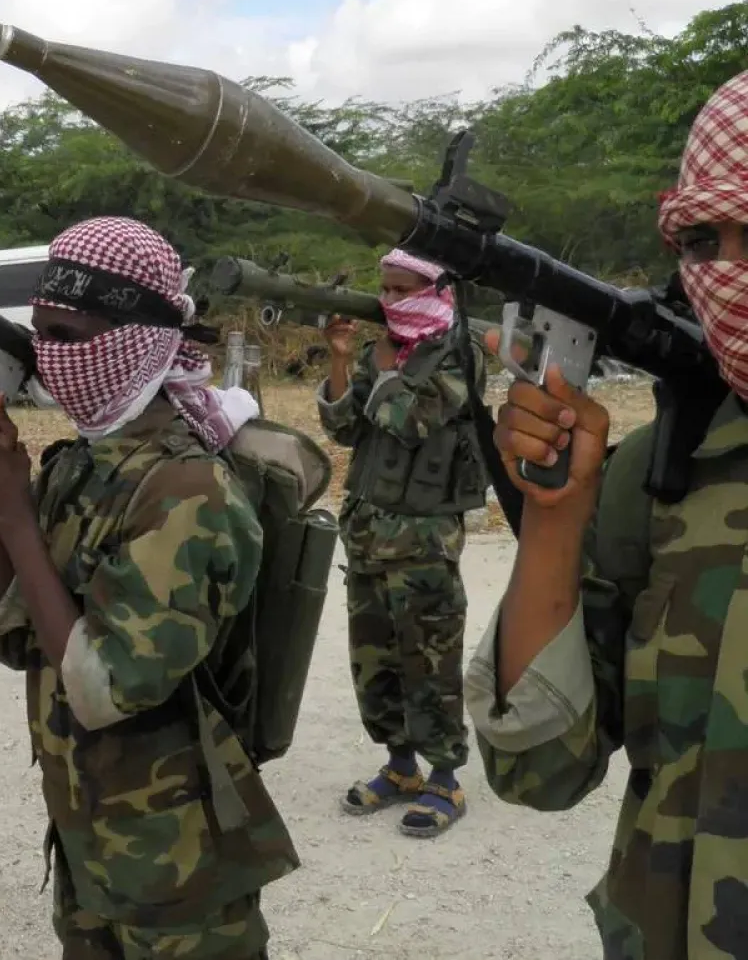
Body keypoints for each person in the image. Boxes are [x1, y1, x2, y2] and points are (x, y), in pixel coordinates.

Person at [0, 217, 292, 960]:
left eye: (68, 332)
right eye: (39, 330)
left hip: (180, 865)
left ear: (135, 335)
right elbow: (16, 639)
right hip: (89, 841)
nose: (49, 354)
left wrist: (12, 506)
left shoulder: (188, 489)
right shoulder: (84, 463)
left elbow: (102, 685)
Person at [467, 70, 748, 956]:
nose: (731, 274)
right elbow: (540, 771)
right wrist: (556, 513)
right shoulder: (661, 470)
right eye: (706, 239)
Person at [316, 250, 487, 837]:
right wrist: (343, 362)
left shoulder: (459, 356)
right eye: (384, 289)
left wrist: (385, 369)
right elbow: (343, 428)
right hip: (366, 534)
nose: (390, 300)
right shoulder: (378, 351)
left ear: (437, 290)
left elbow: (411, 421)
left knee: (429, 661)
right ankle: (400, 766)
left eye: (402, 288)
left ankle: (445, 778)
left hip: (424, 540)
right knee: (375, 661)